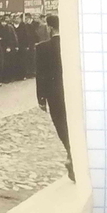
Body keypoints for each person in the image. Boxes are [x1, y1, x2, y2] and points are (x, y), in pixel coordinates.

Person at [35, 14, 73, 182]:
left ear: (49, 28)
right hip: (72, 91)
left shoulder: (42, 48)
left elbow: (40, 75)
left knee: (61, 125)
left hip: (54, 94)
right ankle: (73, 155)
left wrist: (41, 98)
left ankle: (71, 154)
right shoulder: (71, 44)